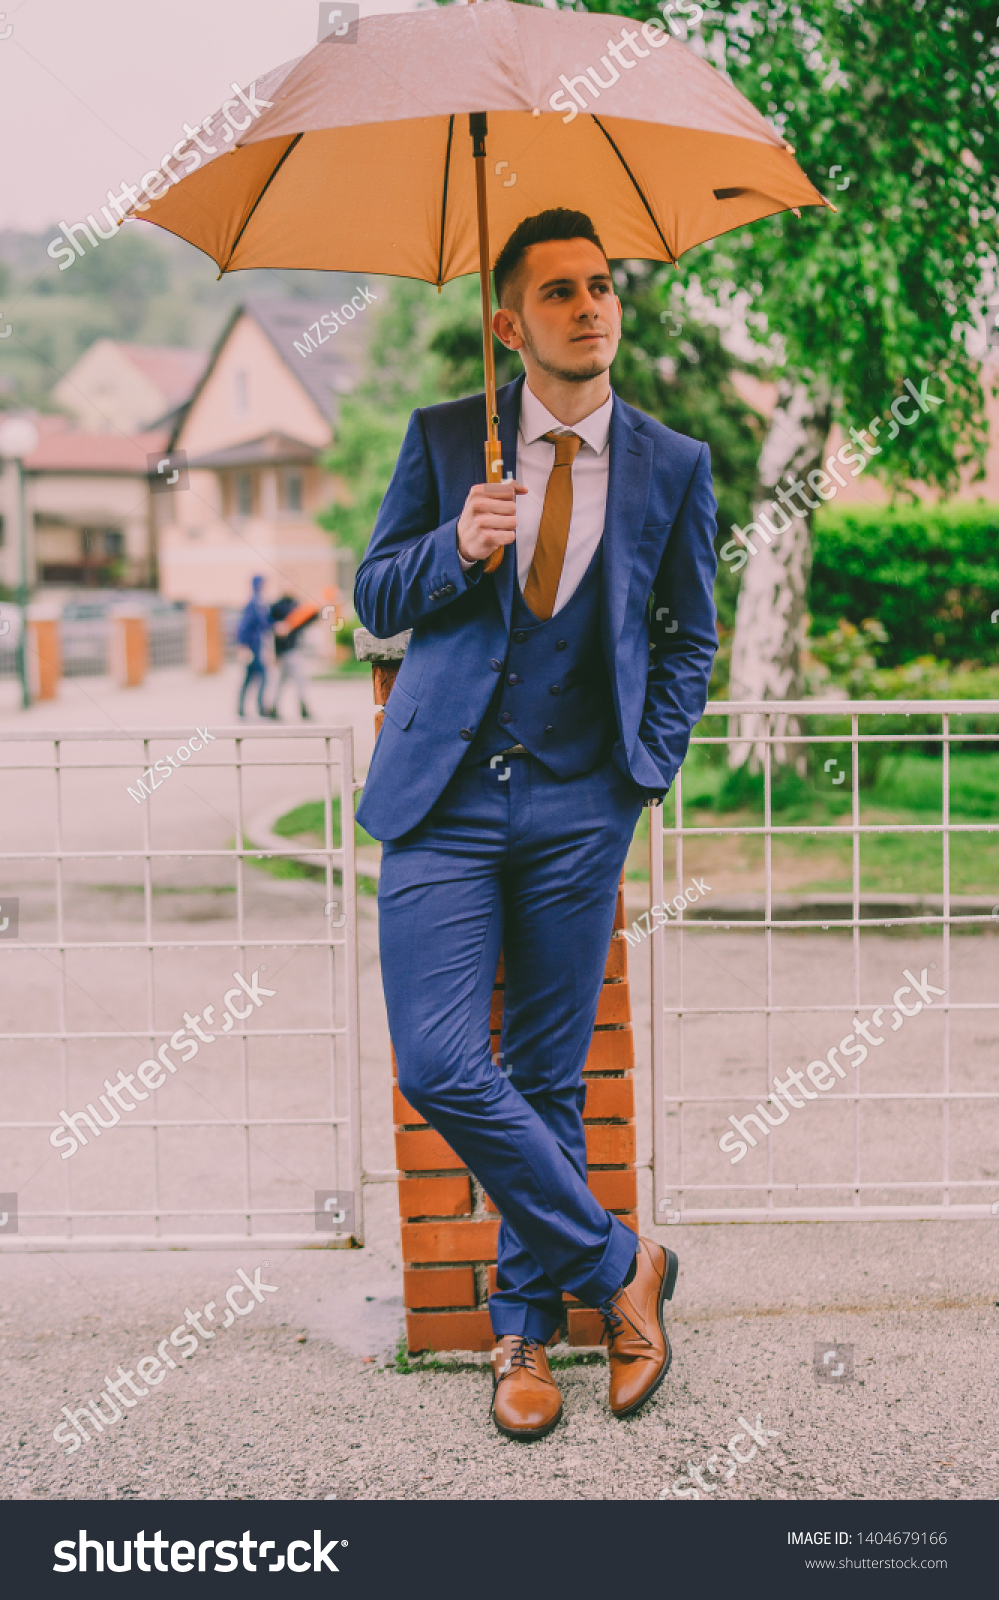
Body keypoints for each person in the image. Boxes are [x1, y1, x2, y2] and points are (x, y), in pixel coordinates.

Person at [354, 210, 718, 1440]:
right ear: (508, 322)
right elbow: (372, 594)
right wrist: (457, 543)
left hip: (580, 805)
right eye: (557, 291)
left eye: (602, 285)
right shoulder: (449, 437)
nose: (589, 305)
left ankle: (525, 1333)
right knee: (443, 1061)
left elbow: (689, 639)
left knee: (551, 1076)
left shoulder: (673, 463)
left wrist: (641, 773)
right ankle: (625, 1267)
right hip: (443, 804)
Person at [266, 593, 318, 720]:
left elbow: (308, 619)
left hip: (295, 649)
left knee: (297, 681)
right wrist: (275, 652)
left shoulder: (297, 605)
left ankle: (301, 707)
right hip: (283, 651)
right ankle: (277, 707)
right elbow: (270, 627)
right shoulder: (276, 607)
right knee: (284, 681)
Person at [235, 575, 272, 718]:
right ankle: (260, 707)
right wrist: (242, 645)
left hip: (255, 646)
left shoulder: (258, 601)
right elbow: (244, 626)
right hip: (253, 647)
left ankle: (241, 708)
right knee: (262, 676)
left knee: (249, 677)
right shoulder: (254, 603)